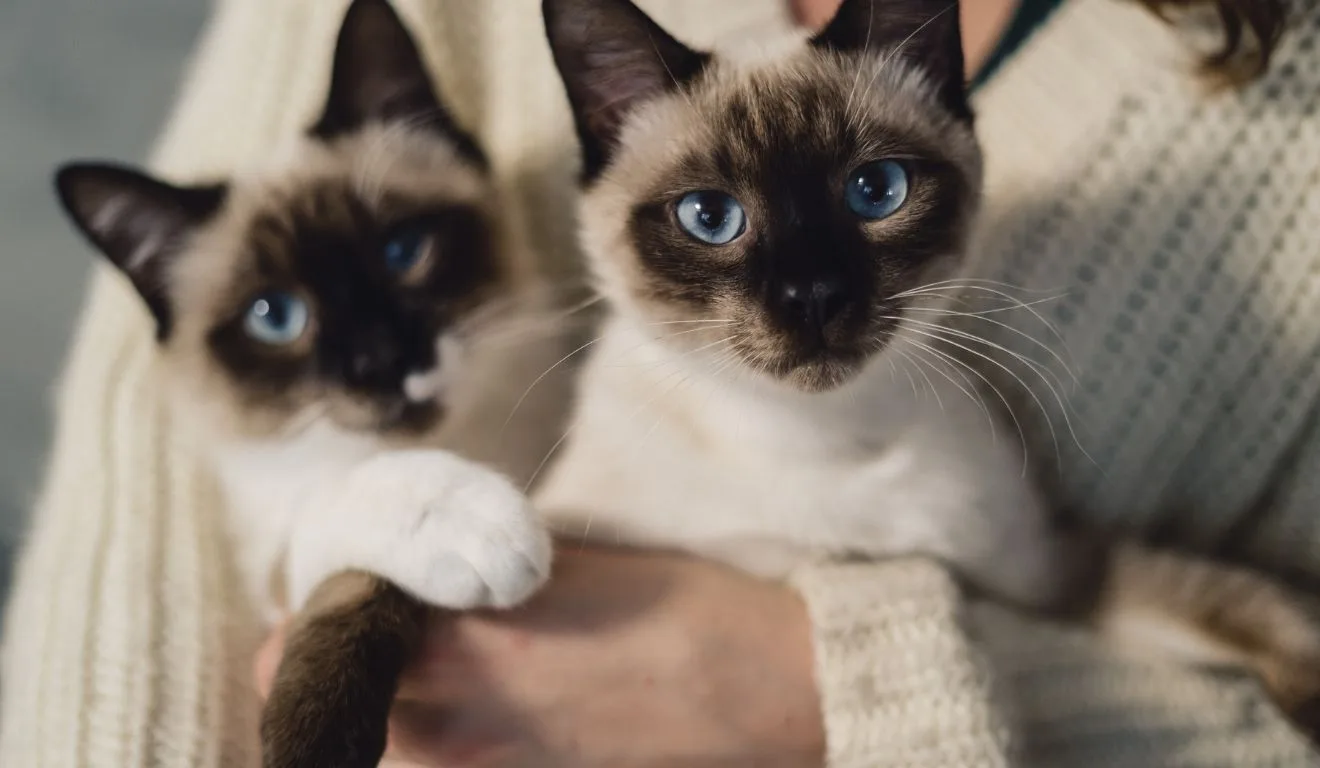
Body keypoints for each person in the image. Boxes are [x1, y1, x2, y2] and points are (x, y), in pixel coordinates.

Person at [3, 0, 1318, 766]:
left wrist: (821, 684)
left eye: (874, 194)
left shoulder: (970, 429)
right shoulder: (606, 427)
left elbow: (1089, 590)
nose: (807, 293)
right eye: (709, 223)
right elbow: (175, 507)